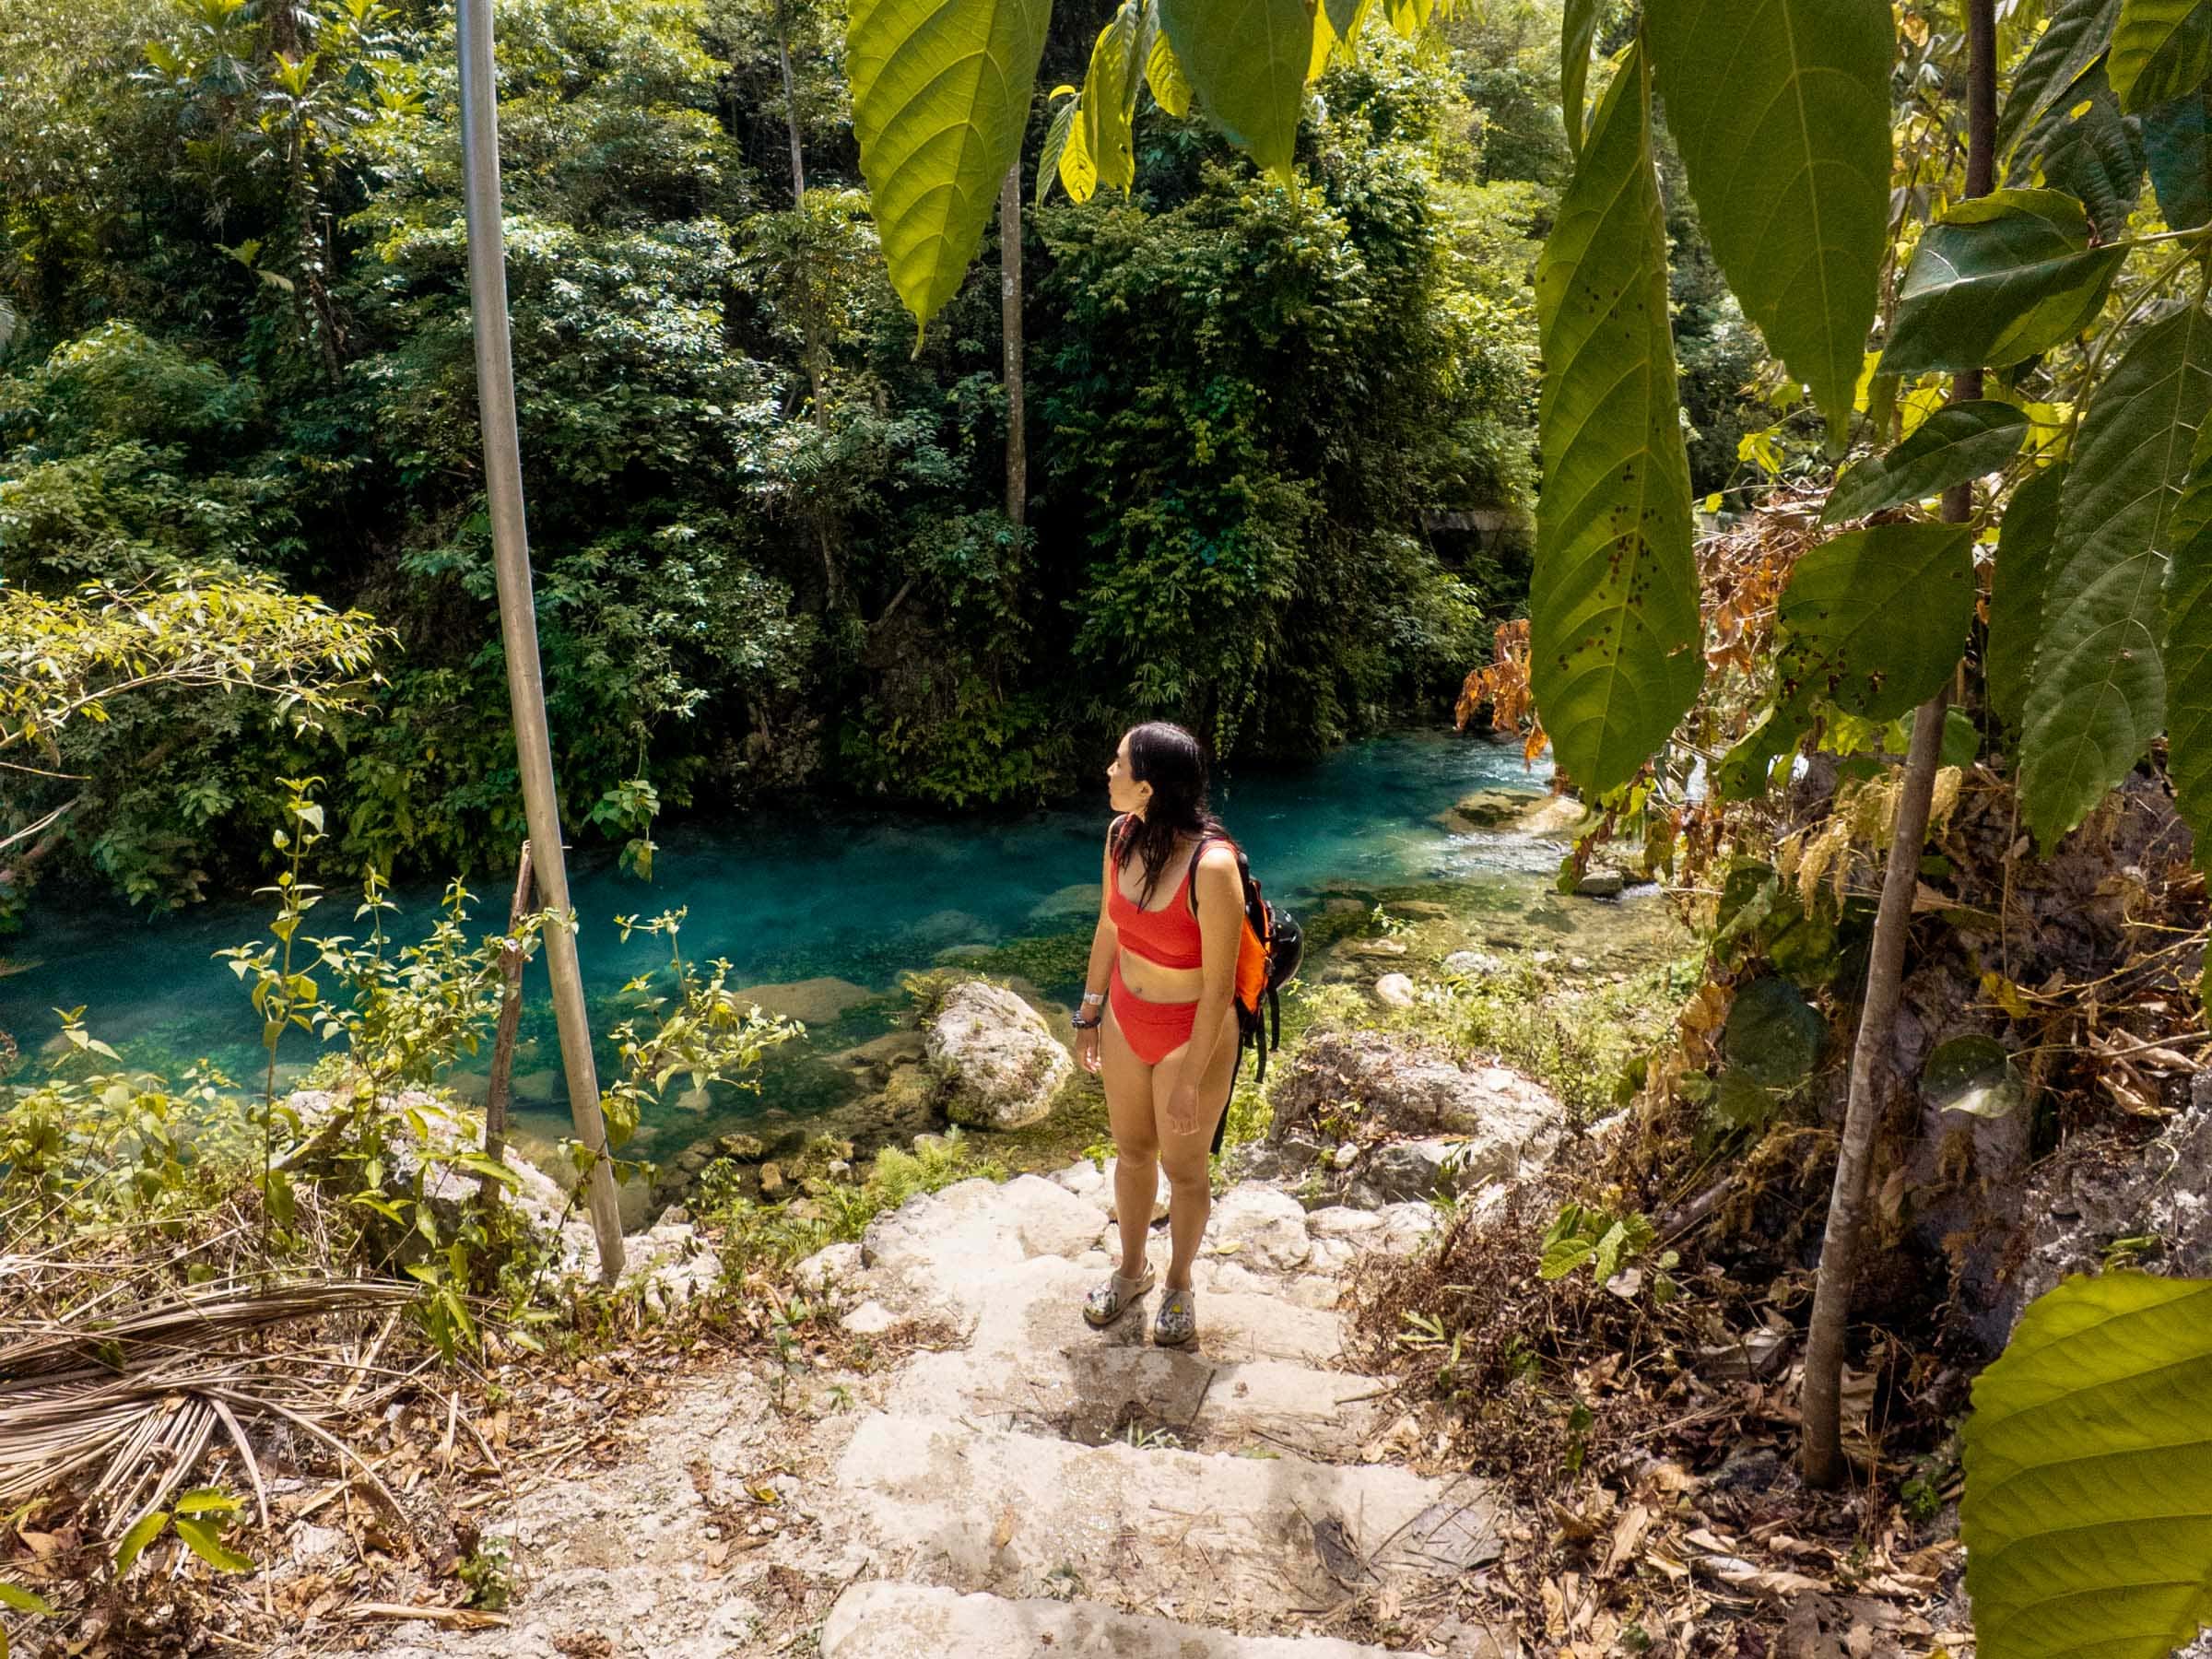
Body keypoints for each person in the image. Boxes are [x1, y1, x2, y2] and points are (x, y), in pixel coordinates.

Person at [1071, 722, 1243, 1347]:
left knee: (1185, 1167)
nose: (1108, 773)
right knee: (1133, 1152)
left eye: (1119, 765)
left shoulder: (1211, 866)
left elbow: (1220, 990)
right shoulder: (1121, 836)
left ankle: (1179, 1282)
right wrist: (1089, 1014)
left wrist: (1191, 1080)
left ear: (1148, 785)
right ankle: (1131, 1270)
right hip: (1124, 1016)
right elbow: (1109, 929)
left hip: (1189, 1032)